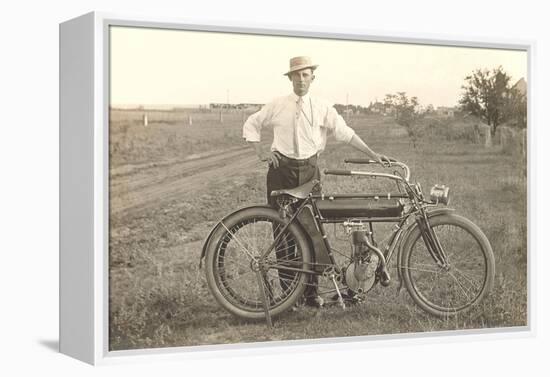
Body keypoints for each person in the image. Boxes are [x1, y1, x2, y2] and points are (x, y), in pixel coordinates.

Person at [242, 56, 390, 307]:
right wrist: (261, 153)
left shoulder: (322, 107)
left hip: (310, 173)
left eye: (305, 75)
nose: (301, 79)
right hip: (281, 171)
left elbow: (345, 133)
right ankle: (290, 296)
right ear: (289, 78)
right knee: (284, 233)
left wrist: (373, 155)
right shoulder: (277, 105)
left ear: (312, 78)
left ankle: (311, 294)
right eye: (296, 75)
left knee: (312, 233)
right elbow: (252, 123)